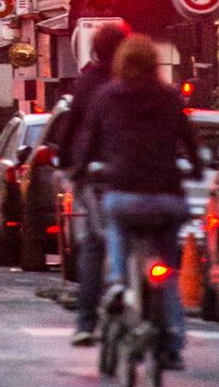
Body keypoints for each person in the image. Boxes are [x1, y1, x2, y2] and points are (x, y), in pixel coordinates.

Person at [68, 32, 201, 369]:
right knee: (167, 272)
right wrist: (198, 169)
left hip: (123, 193)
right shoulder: (170, 98)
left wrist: (80, 170)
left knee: (116, 230)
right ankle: (171, 341)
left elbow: (87, 139)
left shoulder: (107, 96)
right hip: (166, 197)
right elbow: (189, 139)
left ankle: (115, 284)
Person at [56, 19, 129, 345]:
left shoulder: (90, 84)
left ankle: (86, 321)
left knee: (94, 245)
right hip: (138, 177)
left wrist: (68, 163)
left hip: (98, 175)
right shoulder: (142, 80)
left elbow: (76, 128)